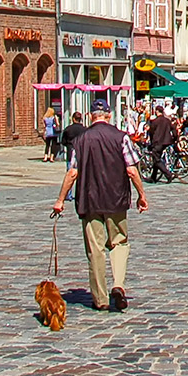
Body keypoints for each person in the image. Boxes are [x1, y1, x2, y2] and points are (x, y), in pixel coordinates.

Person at [50, 94, 148, 312]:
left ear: (90, 116)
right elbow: (132, 170)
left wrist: (59, 200)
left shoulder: (81, 141)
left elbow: (72, 173)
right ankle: (118, 285)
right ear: (109, 115)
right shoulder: (121, 137)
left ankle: (101, 299)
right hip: (116, 199)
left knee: (95, 250)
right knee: (119, 242)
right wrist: (142, 195)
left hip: (90, 200)